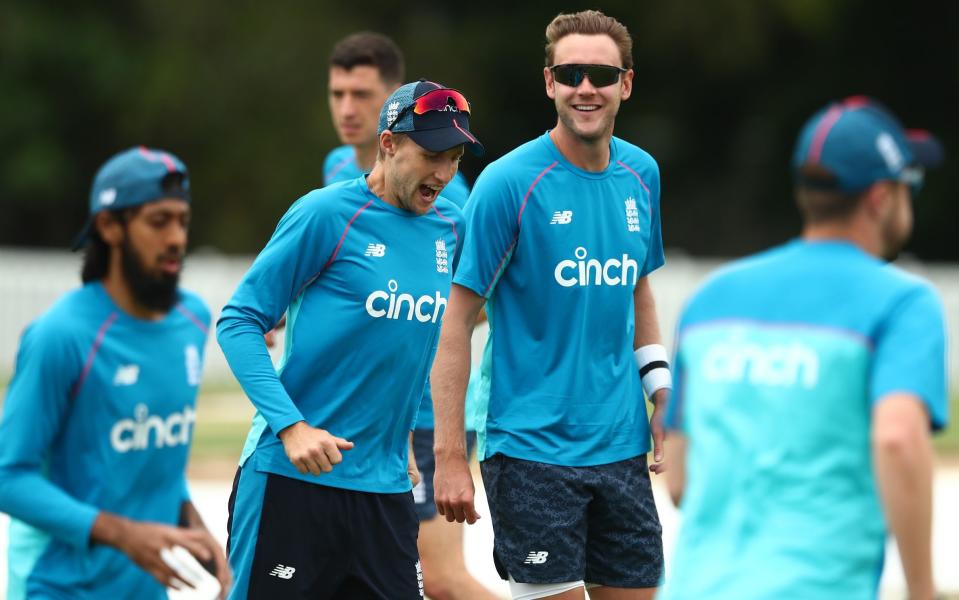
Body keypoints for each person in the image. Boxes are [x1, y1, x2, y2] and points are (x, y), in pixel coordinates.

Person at [661, 97, 948, 599]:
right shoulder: (902, 302)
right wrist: (922, 590)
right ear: (881, 198)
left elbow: (682, 481)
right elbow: (898, 439)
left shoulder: (711, 300)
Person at [431, 10, 669, 600]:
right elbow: (456, 320)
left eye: (601, 74)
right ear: (549, 83)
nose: (586, 87)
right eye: (571, 73)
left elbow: (638, 286)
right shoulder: (508, 183)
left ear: (626, 84)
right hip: (531, 452)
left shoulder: (642, 173)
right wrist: (450, 455)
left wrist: (662, 391)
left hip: (622, 449)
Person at [219, 80, 483, 600]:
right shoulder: (326, 214)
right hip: (292, 481)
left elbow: (411, 345)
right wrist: (291, 428)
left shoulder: (451, 227)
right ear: (388, 144)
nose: (444, 173)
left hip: (385, 491)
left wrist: (404, 436)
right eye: (432, 155)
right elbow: (238, 320)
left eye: (453, 158)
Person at [0, 147, 231, 599]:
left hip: (145, 587)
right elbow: (9, 477)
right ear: (109, 227)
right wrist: (124, 534)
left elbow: (151, 454)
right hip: (58, 586)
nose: (176, 239)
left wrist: (191, 520)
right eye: (158, 221)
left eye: (182, 221)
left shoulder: (194, 321)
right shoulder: (60, 335)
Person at [321, 31, 494, 600]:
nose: (348, 109)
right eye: (337, 93)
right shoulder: (335, 170)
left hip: (424, 409)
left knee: (442, 581)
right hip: (360, 405)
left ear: (394, 103)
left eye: (362, 94)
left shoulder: (446, 193)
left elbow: (477, 305)